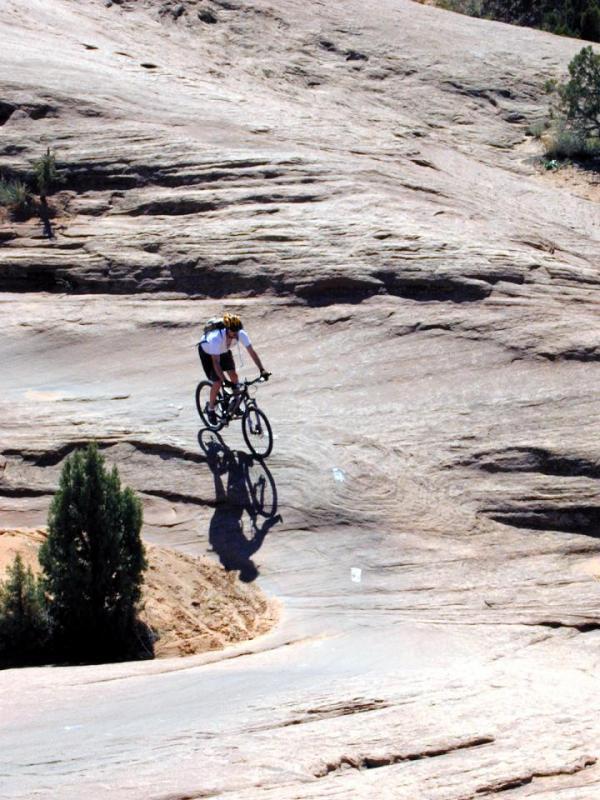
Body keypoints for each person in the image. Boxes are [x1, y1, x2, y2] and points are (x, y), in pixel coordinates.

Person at [198, 313, 269, 425]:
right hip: (208, 352)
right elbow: (216, 362)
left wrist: (262, 369)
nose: (235, 334)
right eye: (233, 331)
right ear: (226, 329)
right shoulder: (215, 338)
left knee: (234, 376)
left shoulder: (240, 333)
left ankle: (235, 405)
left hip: (224, 350)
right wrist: (224, 381)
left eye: (237, 331)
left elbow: (252, 352)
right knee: (217, 381)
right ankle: (210, 409)